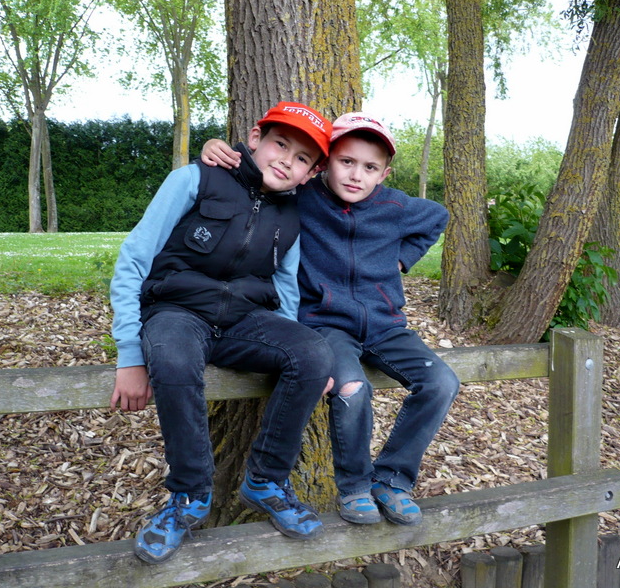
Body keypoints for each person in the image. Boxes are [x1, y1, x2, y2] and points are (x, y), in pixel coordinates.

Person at [202, 113, 460, 527]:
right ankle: (355, 487)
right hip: (325, 323)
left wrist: (401, 259)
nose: (357, 175)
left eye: (370, 167)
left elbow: (438, 217)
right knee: (352, 390)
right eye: (346, 162)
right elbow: (255, 176)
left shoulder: (395, 207)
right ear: (324, 163)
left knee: (441, 382)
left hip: (385, 324)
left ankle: (391, 480)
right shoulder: (302, 196)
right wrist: (219, 149)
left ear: (383, 174)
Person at [109, 102, 335, 565]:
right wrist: (130, 354)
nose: (285, 161)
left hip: (244, 322)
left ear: (311, 173)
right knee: (173, 358)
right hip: (177, 311)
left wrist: (308, 362)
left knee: (314, 353)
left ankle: (266, 481)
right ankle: (190, 495)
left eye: (301, 159)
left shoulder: (292, 216)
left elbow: (286, 290)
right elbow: (134, 258)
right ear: (254, 138)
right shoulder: (195, 179)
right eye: (279, 144)